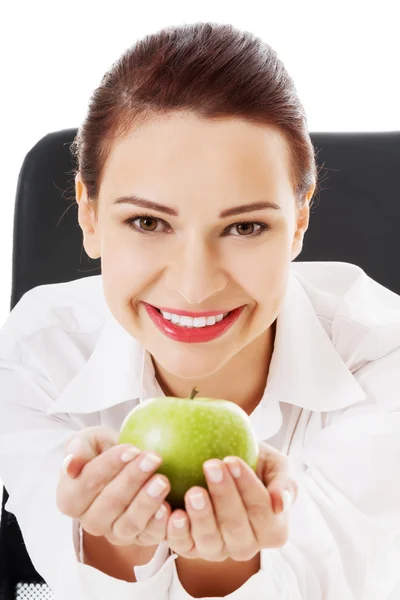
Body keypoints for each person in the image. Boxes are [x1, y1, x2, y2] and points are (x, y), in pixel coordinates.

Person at [0, 21, 399, 600]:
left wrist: (224, 565)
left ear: (301, 219)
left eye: (245, 226)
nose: (193, 287)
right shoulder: (39, 355)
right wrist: (114, 546)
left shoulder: (386, 359)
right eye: (148, 222)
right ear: (88, 215)